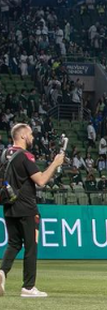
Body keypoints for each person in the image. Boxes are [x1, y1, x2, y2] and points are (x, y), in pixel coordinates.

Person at [0, 124, 65, 298]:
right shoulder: (25, 156)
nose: (33, 138)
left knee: (14, 243)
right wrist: (55, 163)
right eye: (30, 134)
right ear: (22, 136)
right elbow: (41, 180)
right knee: (31, 246)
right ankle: (28, 287)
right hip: (27, 207)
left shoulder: (4, 154)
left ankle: (2, 272)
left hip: (8, 204)